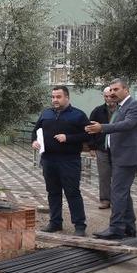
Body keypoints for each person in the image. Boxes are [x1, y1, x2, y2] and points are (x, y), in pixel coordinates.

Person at [85, 78, 137, 240]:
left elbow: (127, 125)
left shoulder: (134, 106)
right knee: (123, 192)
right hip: (118, 155)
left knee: (117, 192)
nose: (112, 93)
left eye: (116, 89)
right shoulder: (121, 107)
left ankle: (116, 228)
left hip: (128, 156)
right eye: (110, 90)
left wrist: (102, 128)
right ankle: (129, 226)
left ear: (126, 89)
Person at [32, 86, 91, 236]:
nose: (55, 100)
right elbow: (36, 131)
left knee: (72, 192)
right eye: (53, 97)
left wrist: (68, 138)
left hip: (69, 160)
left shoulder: (78, 115)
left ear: (67, 97)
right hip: (49, 160)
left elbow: (89, 135)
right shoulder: (46, 113)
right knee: (53, 192)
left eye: (58, 97)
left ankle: (79, 225)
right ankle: (55, 222)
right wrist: (34, 141)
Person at [89, 87, 119, 209]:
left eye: (110, 96)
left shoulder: (122, 110)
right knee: (104, 175)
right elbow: (90, 129)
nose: (108, 99)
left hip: (119, 148)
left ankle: (117, 200)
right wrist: (92, 147)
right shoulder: (97, 111)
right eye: (105, 96)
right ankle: (105, 199)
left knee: (118, 175)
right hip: (102, 148)